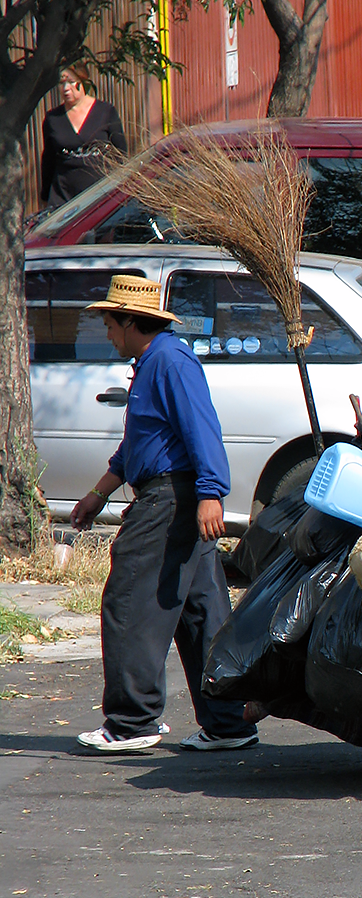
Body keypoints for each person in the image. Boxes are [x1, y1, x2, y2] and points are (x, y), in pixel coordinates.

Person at [72, 274, 258, 754]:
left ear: (131, 321)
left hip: (170, 501)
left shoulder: (170, 361)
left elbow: (201, 428)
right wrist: (100, 491)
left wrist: (211, 493)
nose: (108, 335)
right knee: (201, 613)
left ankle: (132, 723)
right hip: (173, 497)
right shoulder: (150, 361)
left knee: (130, 602)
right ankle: (228, 722)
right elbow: (141, 441)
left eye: (110, 326)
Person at [40, 63, 127, 208]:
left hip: (100, 196)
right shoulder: (53, 118)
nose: (66, 88)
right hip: (63, 199)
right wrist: (44, 197)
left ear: (83, 82)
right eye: (62, 83)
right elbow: (48, 161)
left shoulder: (105, 112)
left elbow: (121, 154)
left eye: (71, 82)